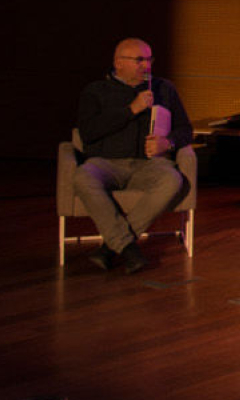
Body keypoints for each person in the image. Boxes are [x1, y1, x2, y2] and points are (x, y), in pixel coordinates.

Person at [73, 38, 192, 274]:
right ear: (118, 63)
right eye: (139, 60)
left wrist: (167, 142)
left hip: (149, 165)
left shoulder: (163, 88)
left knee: (172, 180)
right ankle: (127, 248)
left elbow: (185, 129)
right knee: (83, 177)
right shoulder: (96, 91)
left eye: (149, 59)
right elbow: (88, 132)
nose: (145, 65)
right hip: (107, 163)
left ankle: (112, 247)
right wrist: (131, 109)